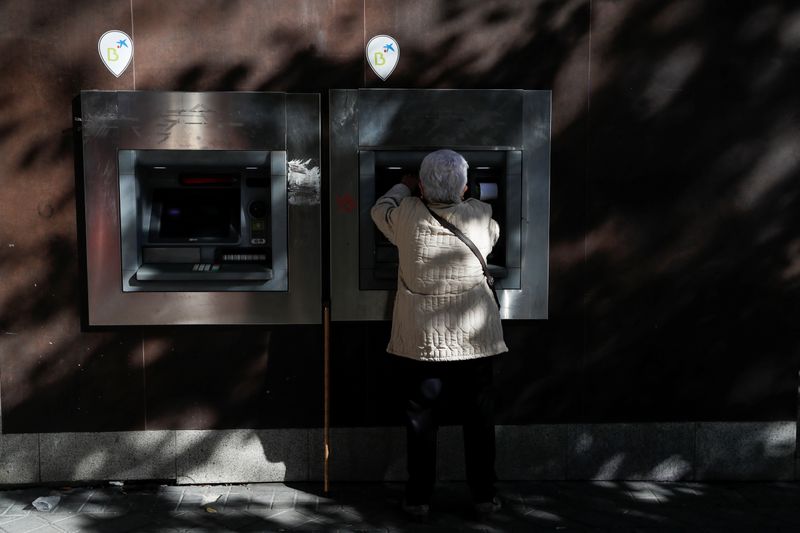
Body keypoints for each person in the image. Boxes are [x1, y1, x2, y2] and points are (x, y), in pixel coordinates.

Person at [370, 149, 508, 519]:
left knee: (421, 419)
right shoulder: (481, 214)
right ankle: (484, 497)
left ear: (422, 185)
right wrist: (469, 193)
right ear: (464, 186)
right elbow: (492, 236)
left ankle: (418, 498)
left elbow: (378, 209)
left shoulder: (404, 216)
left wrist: (403, 185)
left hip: (423, 341)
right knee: (479, 420)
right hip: (474, 340)